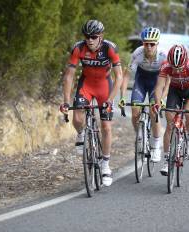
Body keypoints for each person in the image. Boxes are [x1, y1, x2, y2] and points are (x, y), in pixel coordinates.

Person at [59, 20, 123, 186]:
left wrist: (110, 100)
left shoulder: (110, 48)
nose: (90, 40)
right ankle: (81, 134)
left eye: (94, 37)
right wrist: (66, 101)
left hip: (104, 86)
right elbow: (69, 76)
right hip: (86, 85)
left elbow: (119, 77)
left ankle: (106, 165)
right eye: (87, 36)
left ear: (101, 36)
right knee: (78, 117)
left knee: (106, 127)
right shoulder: (78, 48)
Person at [153, 44, 189, 176]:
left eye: (179, 68)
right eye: (174, 68)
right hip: (175, 91)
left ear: (185, 61)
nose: (177, 71)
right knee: (170, 125)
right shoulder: (166, 66)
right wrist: (157, 103)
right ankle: (167, 159)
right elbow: (159, 87)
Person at [119, 27, 168, 163]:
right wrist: (122, 96)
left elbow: (168, 80)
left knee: (154, 111)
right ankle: (140, 135)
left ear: (157, 44)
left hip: (156, 83)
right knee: (135, 111)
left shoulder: (164, 56)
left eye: (152, 44)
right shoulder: (137, 54)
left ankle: (156, 145)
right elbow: (127, 76)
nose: (149, 46)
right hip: (141, 80)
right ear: (143, 43)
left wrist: (162, 98)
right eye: (146, 43)